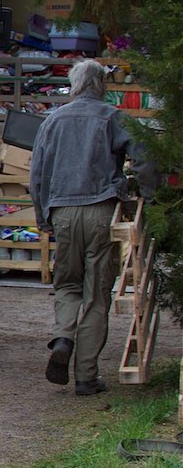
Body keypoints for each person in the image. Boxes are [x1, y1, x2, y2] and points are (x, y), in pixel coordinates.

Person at [30, 59, 158, 396]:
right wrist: (148, 195)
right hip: (101, 210)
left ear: (74, 85)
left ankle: (63, 338)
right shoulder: (113, 116)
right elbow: (144, 156)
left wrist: (43, 217)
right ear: (102, 85)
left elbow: (37, 173)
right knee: (96, 295)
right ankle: (86, 377)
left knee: (67, 285)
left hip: (63, 212)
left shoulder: (52, 120)